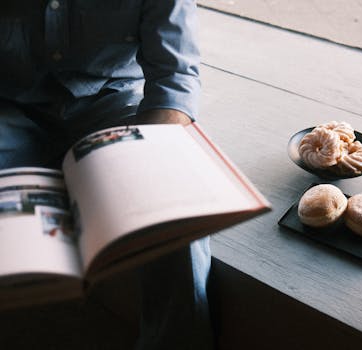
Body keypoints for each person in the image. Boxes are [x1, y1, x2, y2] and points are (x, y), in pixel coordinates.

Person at [0, 1, 213, 349]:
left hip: (110, 105)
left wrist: (147, 156)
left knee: (176, 214)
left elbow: (174, 79)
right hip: (9, 109)